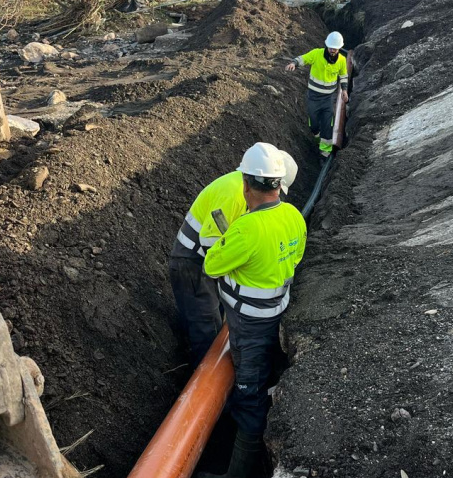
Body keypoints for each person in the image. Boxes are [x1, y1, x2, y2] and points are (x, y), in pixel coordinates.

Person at [199, 142, 307, 478]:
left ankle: (238, 474)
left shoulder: (246, 229)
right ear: (278, 184)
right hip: (277, 315)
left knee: (249, 399)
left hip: (248, 326)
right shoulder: (293, 215)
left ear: (246, 184)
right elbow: (297, 256)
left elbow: (212, 265)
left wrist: (227, 236)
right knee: (263, 379)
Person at [168, 146, 298, 368]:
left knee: (216, 317)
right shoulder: (233, 195)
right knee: (205, 325)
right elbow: (211, 242)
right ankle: (204, 380)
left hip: (211, 260)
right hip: (193, 263)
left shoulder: (249, 192)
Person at [285, 31, 349, 158]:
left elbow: (343, 75)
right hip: (313, 97)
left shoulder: (342, 60)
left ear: (339, 48)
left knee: (327, 124)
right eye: (331, 48)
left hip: (328, 99)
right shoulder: (316, 54)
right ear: (327, 46)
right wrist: (294, 63)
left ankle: (324, 153)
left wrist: (344, 90)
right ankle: (317, 138)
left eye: (335, 49)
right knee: (313, 124)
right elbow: (303, 58)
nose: (332, 50)